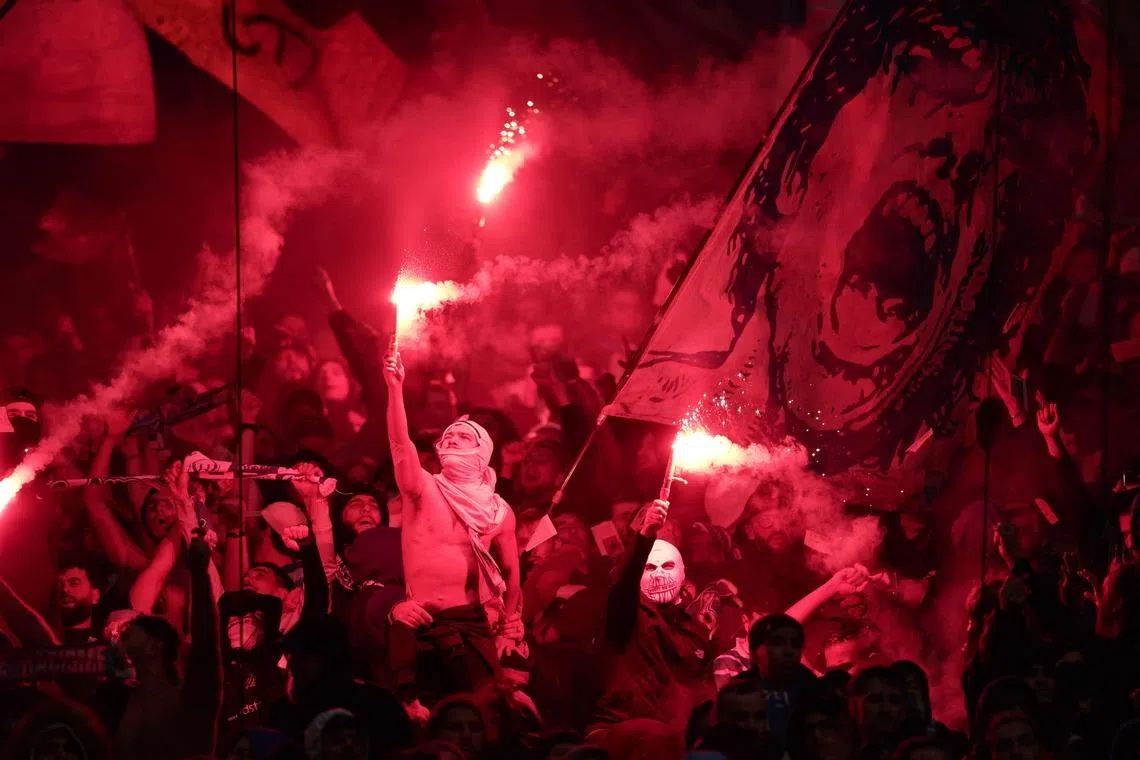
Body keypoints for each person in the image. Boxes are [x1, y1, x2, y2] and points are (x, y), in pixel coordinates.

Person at [382, 350, 523, 714]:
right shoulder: (423, 488)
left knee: (490, 715)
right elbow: (400, 442)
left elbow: (511, 573)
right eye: (448, 436)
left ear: (482, 451)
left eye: (462, 436)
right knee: (421, 719)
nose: (450, 440)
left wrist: (510, 622)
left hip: (472, 624)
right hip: (422, 620)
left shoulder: (499, 511)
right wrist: (395, 388)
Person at [587, 498, 717, 759]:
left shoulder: (697, 629)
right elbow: (624, 584)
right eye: (650, 567)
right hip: (625, 736)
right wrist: (645, 536)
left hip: (676, 741)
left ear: (683, 574)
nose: (659, 574)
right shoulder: (626, 614)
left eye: (668, 566)